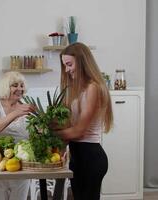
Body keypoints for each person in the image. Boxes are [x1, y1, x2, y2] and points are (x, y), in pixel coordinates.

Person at [54, 42, 113, 200]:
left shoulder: (93, 88)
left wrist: (50, 133)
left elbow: (78, 131)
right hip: (78, 157)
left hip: (91, 158)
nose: (67, 70)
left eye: (69, 64)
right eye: (64, 65)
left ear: (82, 62)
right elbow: (70, 127)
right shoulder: (78, 89)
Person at [0, 71, 34, 200]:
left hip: (21, 163)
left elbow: (35, 131)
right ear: (6, 87)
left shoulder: (27, 106)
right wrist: (16, 113)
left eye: (22, 85)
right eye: (15, 85)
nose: (20, 89)